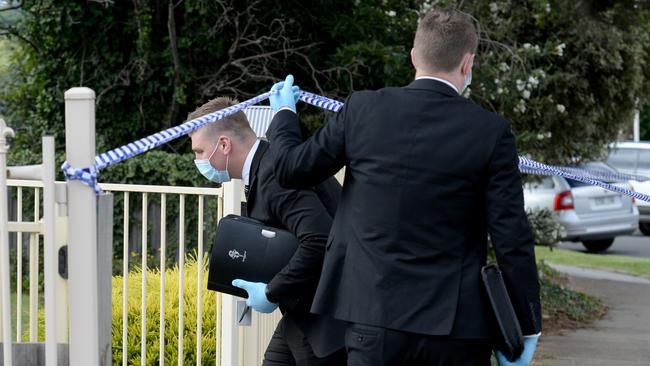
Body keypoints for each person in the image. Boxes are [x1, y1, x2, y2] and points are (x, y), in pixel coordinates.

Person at [265, 7, 541, 366]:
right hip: (456, 329)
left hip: (374, 321)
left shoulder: (362, 110)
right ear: (467, 63)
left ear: (413, 56)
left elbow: (290, 170)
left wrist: (285, 115)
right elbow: (512, 237)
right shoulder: (490, 131)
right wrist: (527, 325)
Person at [188, 97, 347, 365]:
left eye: (199, 151)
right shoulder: (266, 165)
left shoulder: (274, 173)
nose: (198, 160)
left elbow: (319, 239)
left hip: (327, 322)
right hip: (302, 313)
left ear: (224, 144)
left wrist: (271, 292)